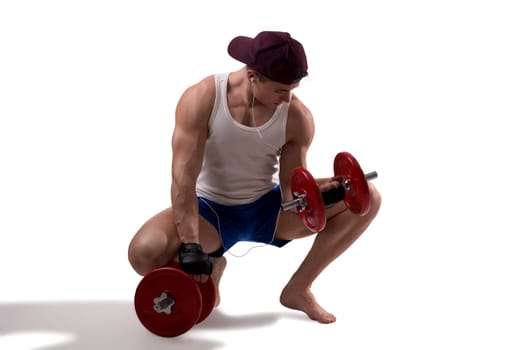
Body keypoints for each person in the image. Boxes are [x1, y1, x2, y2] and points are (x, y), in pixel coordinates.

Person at [128, 31, 381, 324]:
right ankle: (213, 263)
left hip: (267, 211)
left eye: (293, 89)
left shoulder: (298, 117)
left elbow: (290, 190)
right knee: (143, 253)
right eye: (280, 91)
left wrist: (320, 193)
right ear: (252, 76)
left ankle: (298, 289)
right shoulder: (202, 98)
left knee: (368, 197)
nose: (288, 99)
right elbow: (183, 180)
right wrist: (191, 244)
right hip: (209, 212)